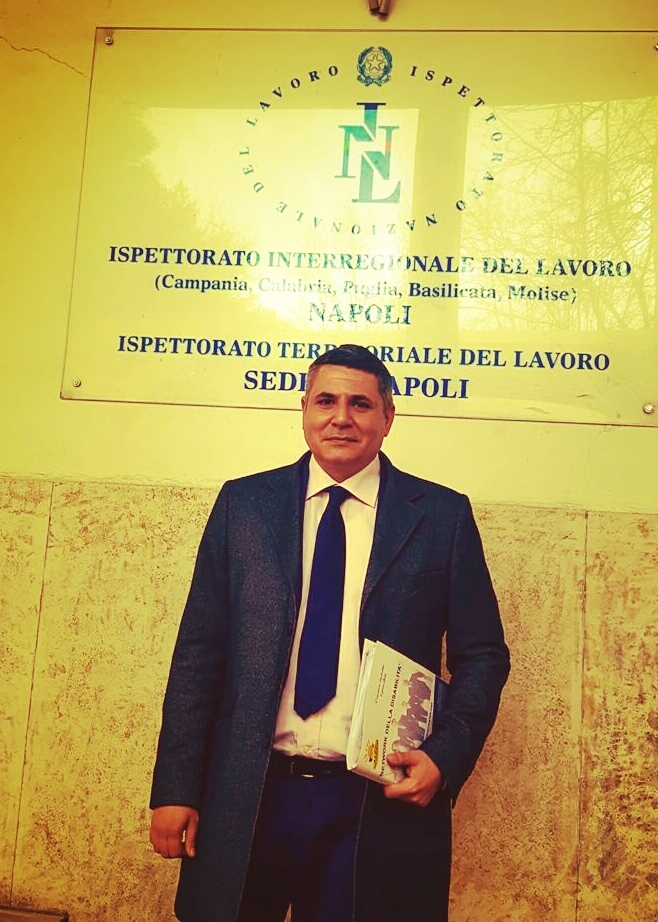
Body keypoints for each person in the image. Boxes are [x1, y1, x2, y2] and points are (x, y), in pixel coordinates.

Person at [150, 344, 510, 922]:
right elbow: (199, 653)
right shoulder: (244, 505)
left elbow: (484, 656)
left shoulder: (441, 517)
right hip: (250, 793)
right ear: (304, 410)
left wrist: (444, 756)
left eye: (360, 404)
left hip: (373, 802)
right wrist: (176, 788)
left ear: (387, 417)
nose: (342, 417)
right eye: (326, 401)